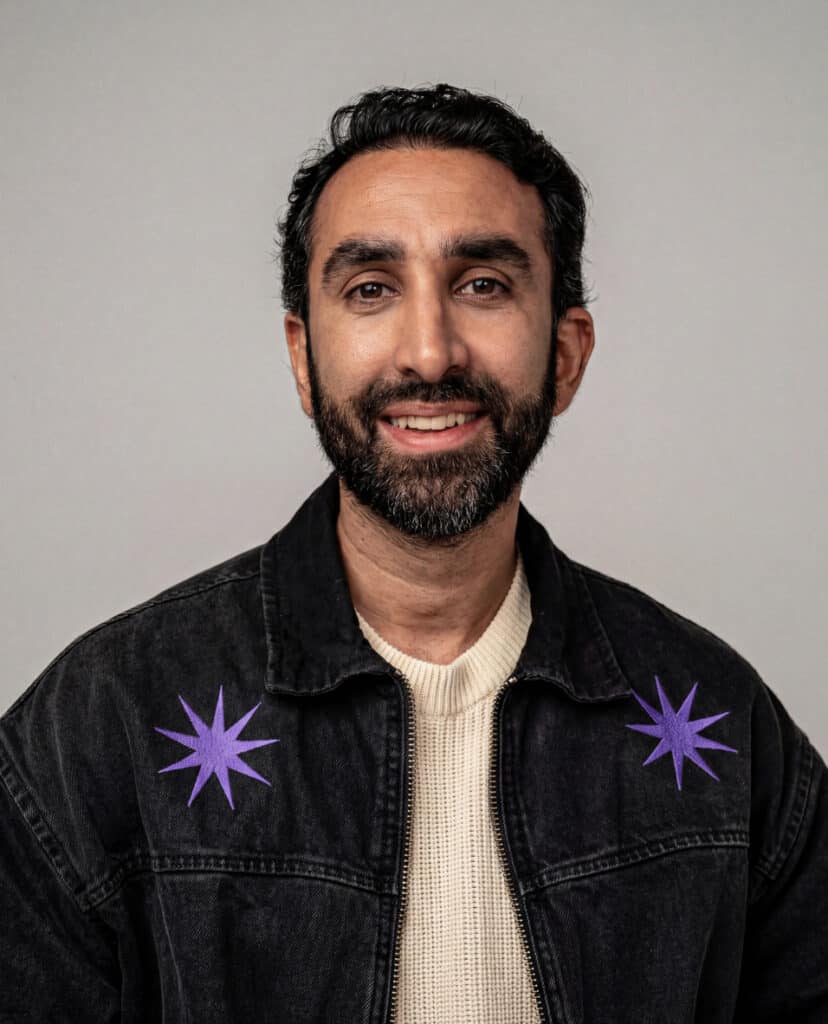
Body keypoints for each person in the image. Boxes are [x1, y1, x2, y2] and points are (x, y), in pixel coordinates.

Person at [1, 83, 825, 1024]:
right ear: (303, 359)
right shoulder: (101, 723)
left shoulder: (722, 720)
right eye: (370, 290)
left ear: (565, 355)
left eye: (483, 285)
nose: (430, 354)